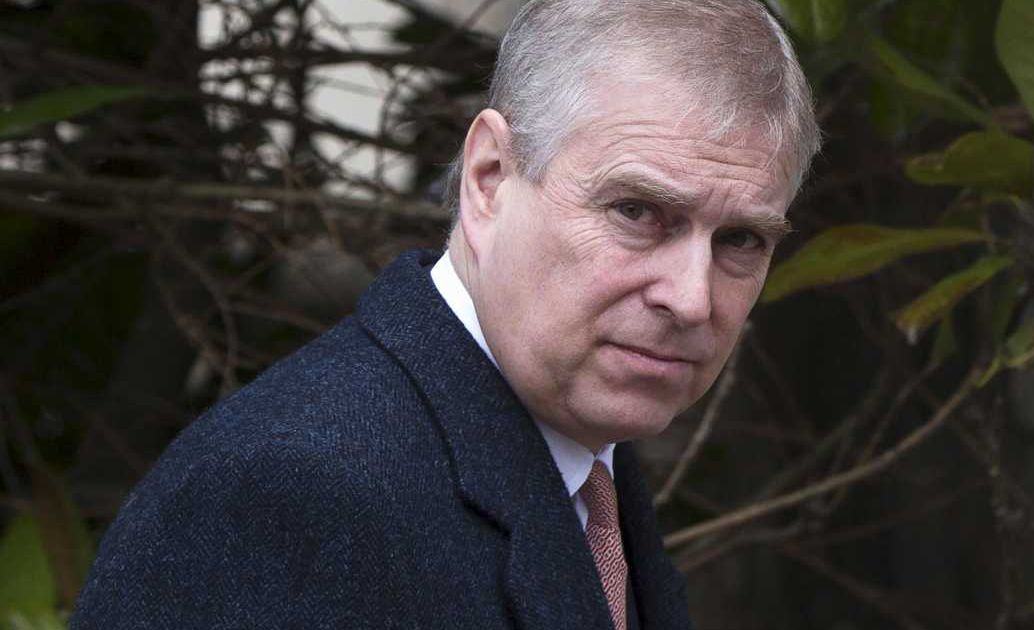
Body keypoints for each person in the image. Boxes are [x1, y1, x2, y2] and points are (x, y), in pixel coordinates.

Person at [71, 0, 819, 627]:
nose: (691, 298)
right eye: (637, 211)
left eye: (742, 239)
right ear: (489, 178)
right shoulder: (300, 492)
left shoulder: (583, 458)